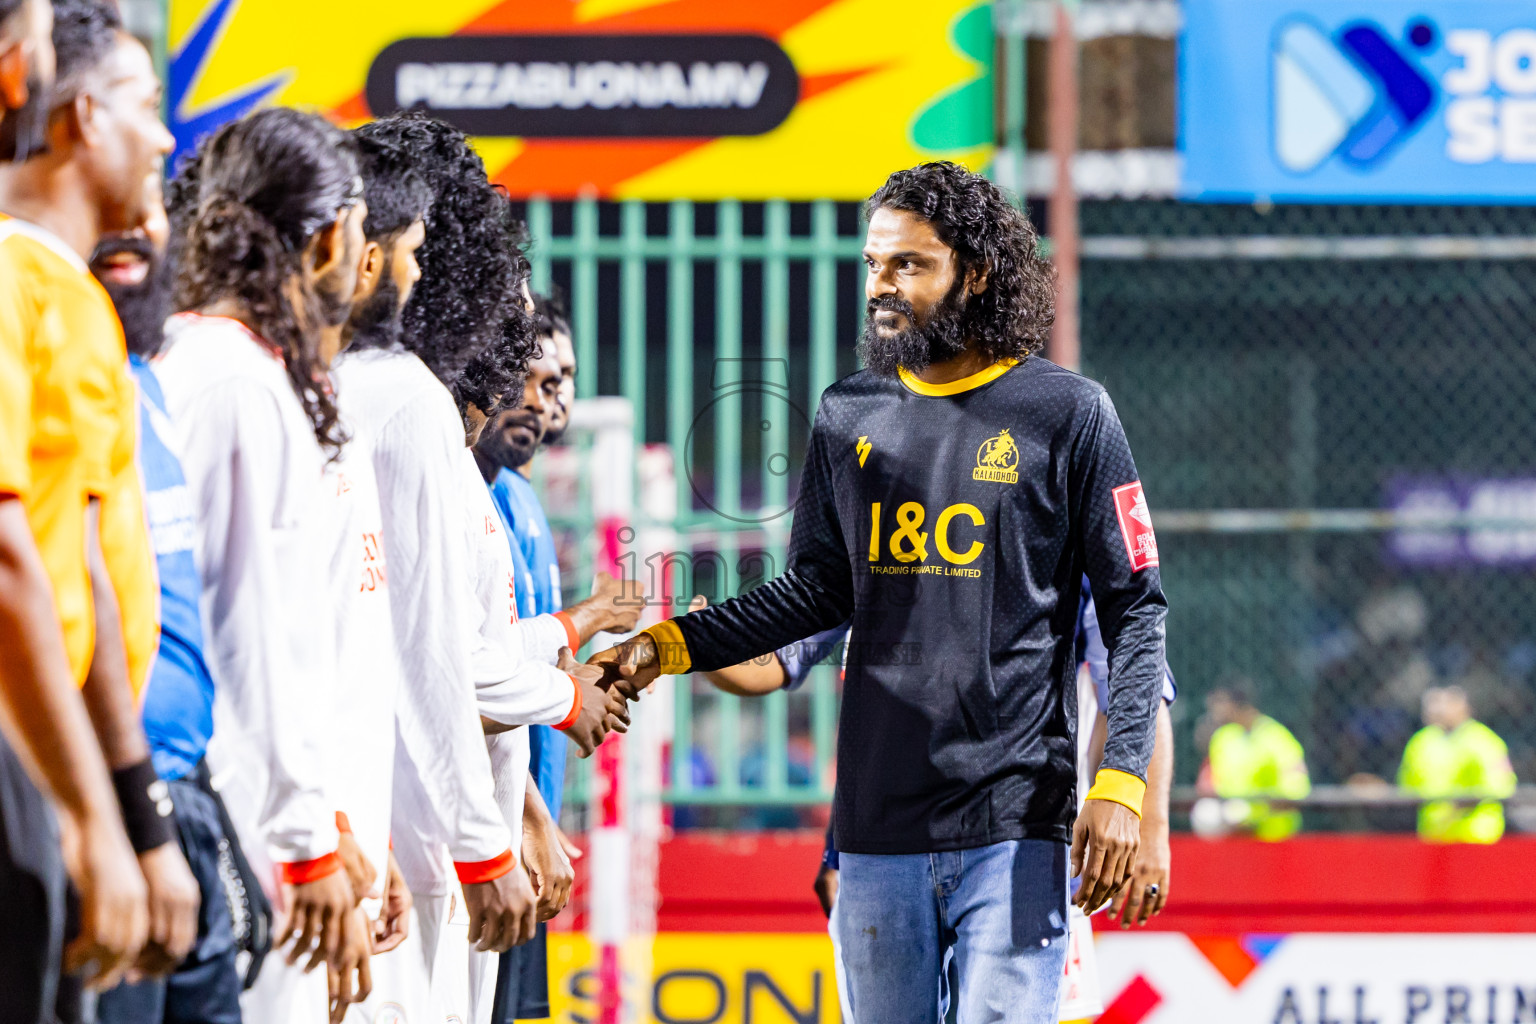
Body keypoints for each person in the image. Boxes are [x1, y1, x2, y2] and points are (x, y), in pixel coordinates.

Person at [594, 162, 1168, 1024]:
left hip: (1016, 823)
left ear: (976, 274)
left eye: (909, 264)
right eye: (873, 264)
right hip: (875, 831)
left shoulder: (1070, 413)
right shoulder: (847, 414)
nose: (881, 286)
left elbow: (1137, 613)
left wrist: (1121, 785)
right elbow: (816, 592)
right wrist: (669, 645)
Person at [337, 113, 612, 1023]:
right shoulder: (404, 404)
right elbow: (435, 656)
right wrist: (562, 696)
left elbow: (444, 634)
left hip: (422, 838)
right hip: (418, 843)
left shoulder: (410, 412)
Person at [158, 107, 372, 1023]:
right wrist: (307, 839)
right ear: (326, 242)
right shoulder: (242, 386)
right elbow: (255, 639)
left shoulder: (190, 357)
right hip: (240, 815)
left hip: (221, 798)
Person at [3, 2, 195, 1015]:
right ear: (82, 118)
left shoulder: (71, 296)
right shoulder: (17, 279)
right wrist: (94, 814)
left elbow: (89, 583)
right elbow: (14, 561)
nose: (163, 138)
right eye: (145, 106)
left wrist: (131, 813)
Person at [90, 169, 251, 1024]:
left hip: (182, 793)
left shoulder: (146, 382)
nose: (138, 226)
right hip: (106, 805)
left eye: (152, 207)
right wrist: (127, 817)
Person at [469, 296, 641, 1023]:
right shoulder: (475, 494)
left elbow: (522, 655)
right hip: (481, 829)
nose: (549, 397)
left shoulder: (518, 498)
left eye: (562, 377)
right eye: (534, 376)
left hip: (516, 813)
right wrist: (529, 816)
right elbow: (468, 672)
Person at [1398, 685, 1516, 844]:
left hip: (1476, 838)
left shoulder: (1484, 741)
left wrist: (1462, 804)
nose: (1438, 709)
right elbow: (1407, 788)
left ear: (1463, 706)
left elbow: (1502, 786)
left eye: (1447, 702)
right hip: (1434, 838)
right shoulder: (1420, 742)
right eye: (1433, 702)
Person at [1200, 680, 1310, 841]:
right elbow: (1210, 781)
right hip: (1233, 836)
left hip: (1274, 838)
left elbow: (1297, 790)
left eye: (1221, 702)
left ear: (1237, 705)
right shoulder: (1222, 738)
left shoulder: (1277, 737)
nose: (1215, 711)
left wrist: (1256, 814)